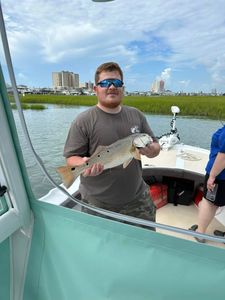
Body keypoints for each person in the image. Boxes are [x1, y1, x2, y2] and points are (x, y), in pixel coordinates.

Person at [63, 62, 160, 229]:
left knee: (145, 242)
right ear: (95, 89)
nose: (112, 87)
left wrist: (151, 150)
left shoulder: (136, 115)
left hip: (137, 198)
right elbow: (71, 158)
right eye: (105, 83)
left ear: (122, 87)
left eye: (117, 83)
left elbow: (156, 146)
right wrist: (82, 165)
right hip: (97, 204)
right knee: (102, 247)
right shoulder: (83, 121)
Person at [190, 124, 225, 242]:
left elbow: (224, 156)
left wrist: (212, 176)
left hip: (220, 176)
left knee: (209, 203)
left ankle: (200, 234)